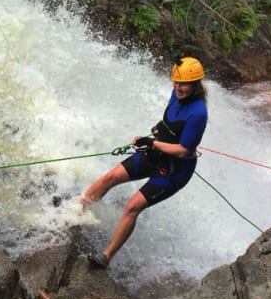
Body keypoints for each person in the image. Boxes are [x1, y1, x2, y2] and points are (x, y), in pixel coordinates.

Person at [80, 56, 208, 269]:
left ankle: (106, 256)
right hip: (155, 153)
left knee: (132, 207)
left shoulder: (199, 113)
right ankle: (78, 210)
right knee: (110, 177)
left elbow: (183, 150)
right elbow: (169, 121)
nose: (178, 88)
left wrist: (153, 143)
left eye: (184, 84)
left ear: (195, 85)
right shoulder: (175, 95)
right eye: (176, 82)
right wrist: (157, 131)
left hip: (174, 171)